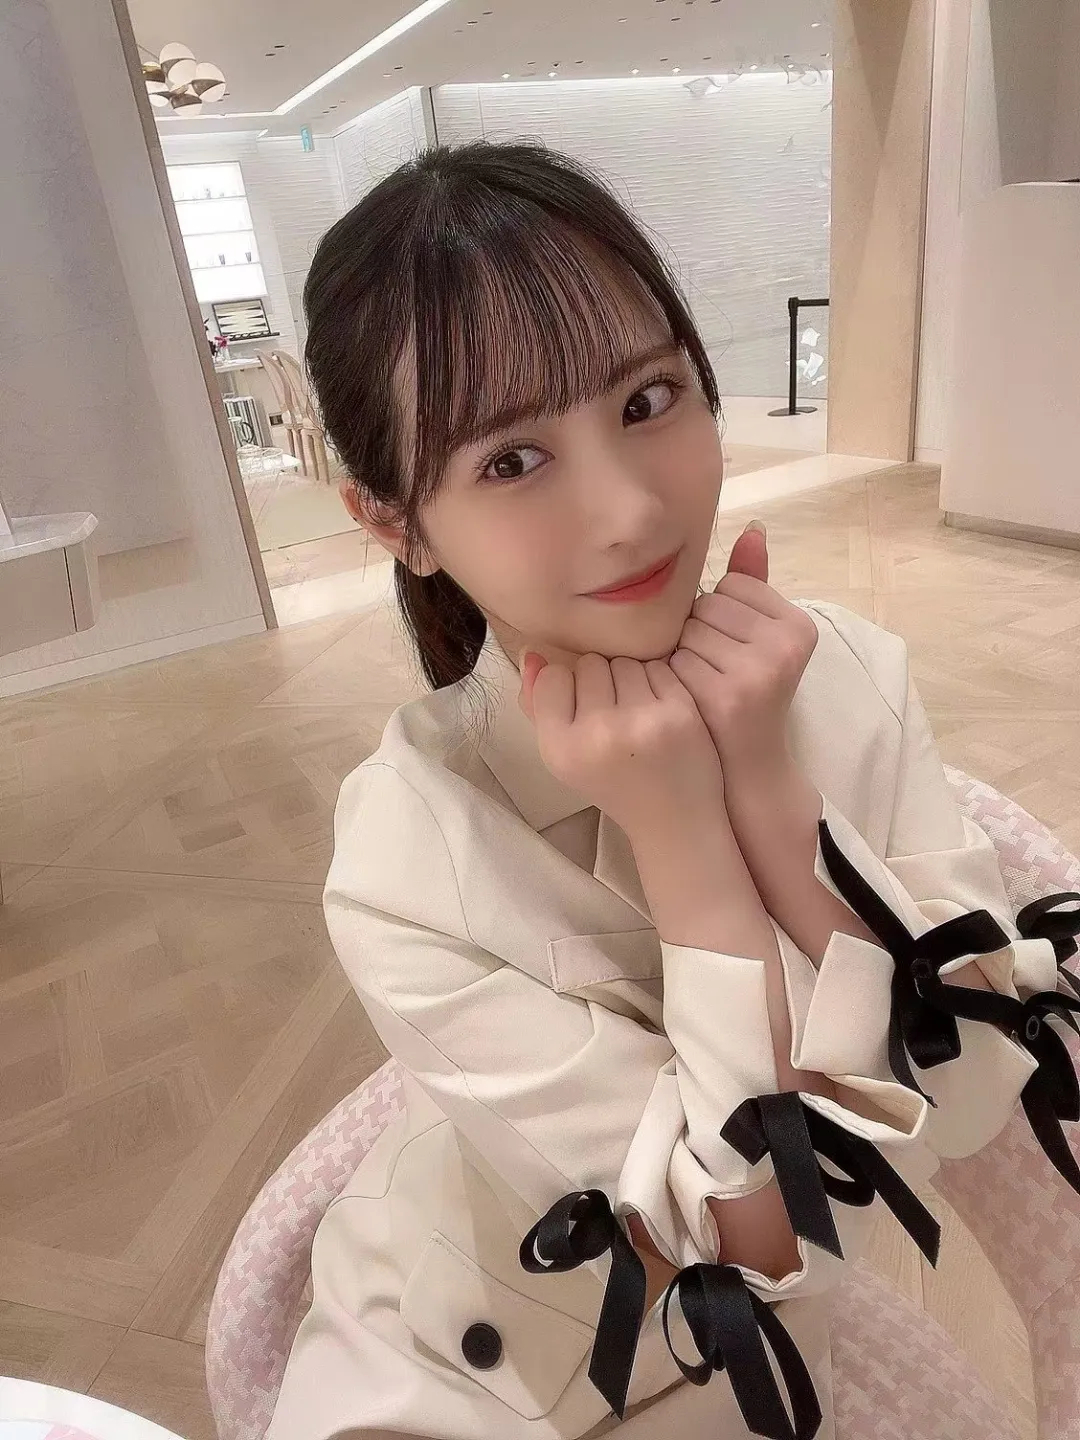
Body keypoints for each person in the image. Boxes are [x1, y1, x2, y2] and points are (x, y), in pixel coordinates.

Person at [266, 142, 1080, 1440]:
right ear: (393, 523)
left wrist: (765, 794)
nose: (632, 512)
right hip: (469, 1385)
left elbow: (977, 1100)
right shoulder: (404, 857)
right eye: (511, 462)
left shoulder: (841, 677)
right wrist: (685, 839)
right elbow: (749, 1247)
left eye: (649, 400)